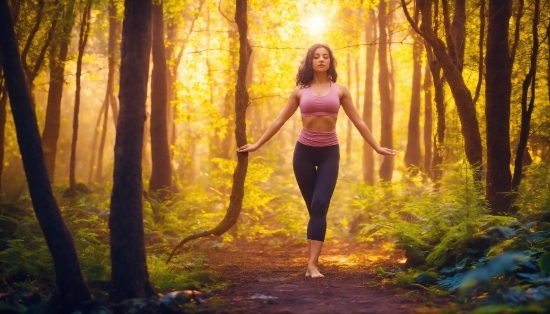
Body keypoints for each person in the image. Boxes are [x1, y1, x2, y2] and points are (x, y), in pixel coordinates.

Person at [236, 43, 397, 278]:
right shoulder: (300, 91)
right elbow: (278, 121)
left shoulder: (340, 90)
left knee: (320, 204)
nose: (321, 60)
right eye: (316, 56)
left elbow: (359, 121)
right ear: (310, 61)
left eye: (325, 57)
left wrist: (377, 147)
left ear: (330, 62)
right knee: (314, 209)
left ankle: (312, 264)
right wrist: (257, 144)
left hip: (330, 153)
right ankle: (311, 263)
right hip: (303, 153)